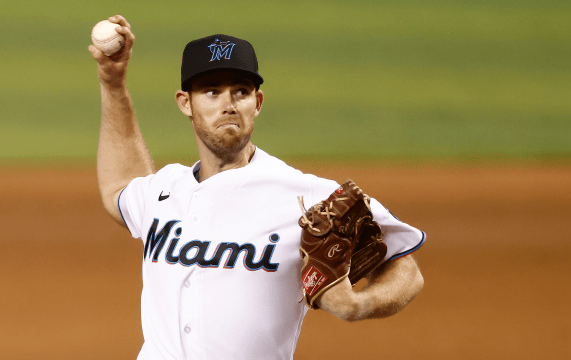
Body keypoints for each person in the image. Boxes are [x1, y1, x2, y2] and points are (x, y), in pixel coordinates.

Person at [89, 15, 425, 360]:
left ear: (257, 103)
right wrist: (112, 84)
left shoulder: (308, 196)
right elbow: (120, 185)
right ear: (185, 102)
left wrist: (357, 305)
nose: (229, 104)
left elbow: (406, 271)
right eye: (211, 91)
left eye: (241, 91)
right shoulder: (164, 190)